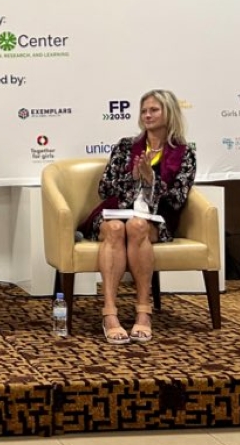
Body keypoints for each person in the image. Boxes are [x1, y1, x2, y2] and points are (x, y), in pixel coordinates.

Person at [81, 90, 196, 345]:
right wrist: (133, 177)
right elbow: (104, 189)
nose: (147, 115)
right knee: (114, 229)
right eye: (144, 110)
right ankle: (110, 314)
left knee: (137, 226)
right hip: (114, 213)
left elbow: (178, 199)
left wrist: (152, 179)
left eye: (154, 110)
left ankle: (143, 313)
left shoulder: (185, 154)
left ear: (169, 112)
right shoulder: (125, 146)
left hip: (154, 218)